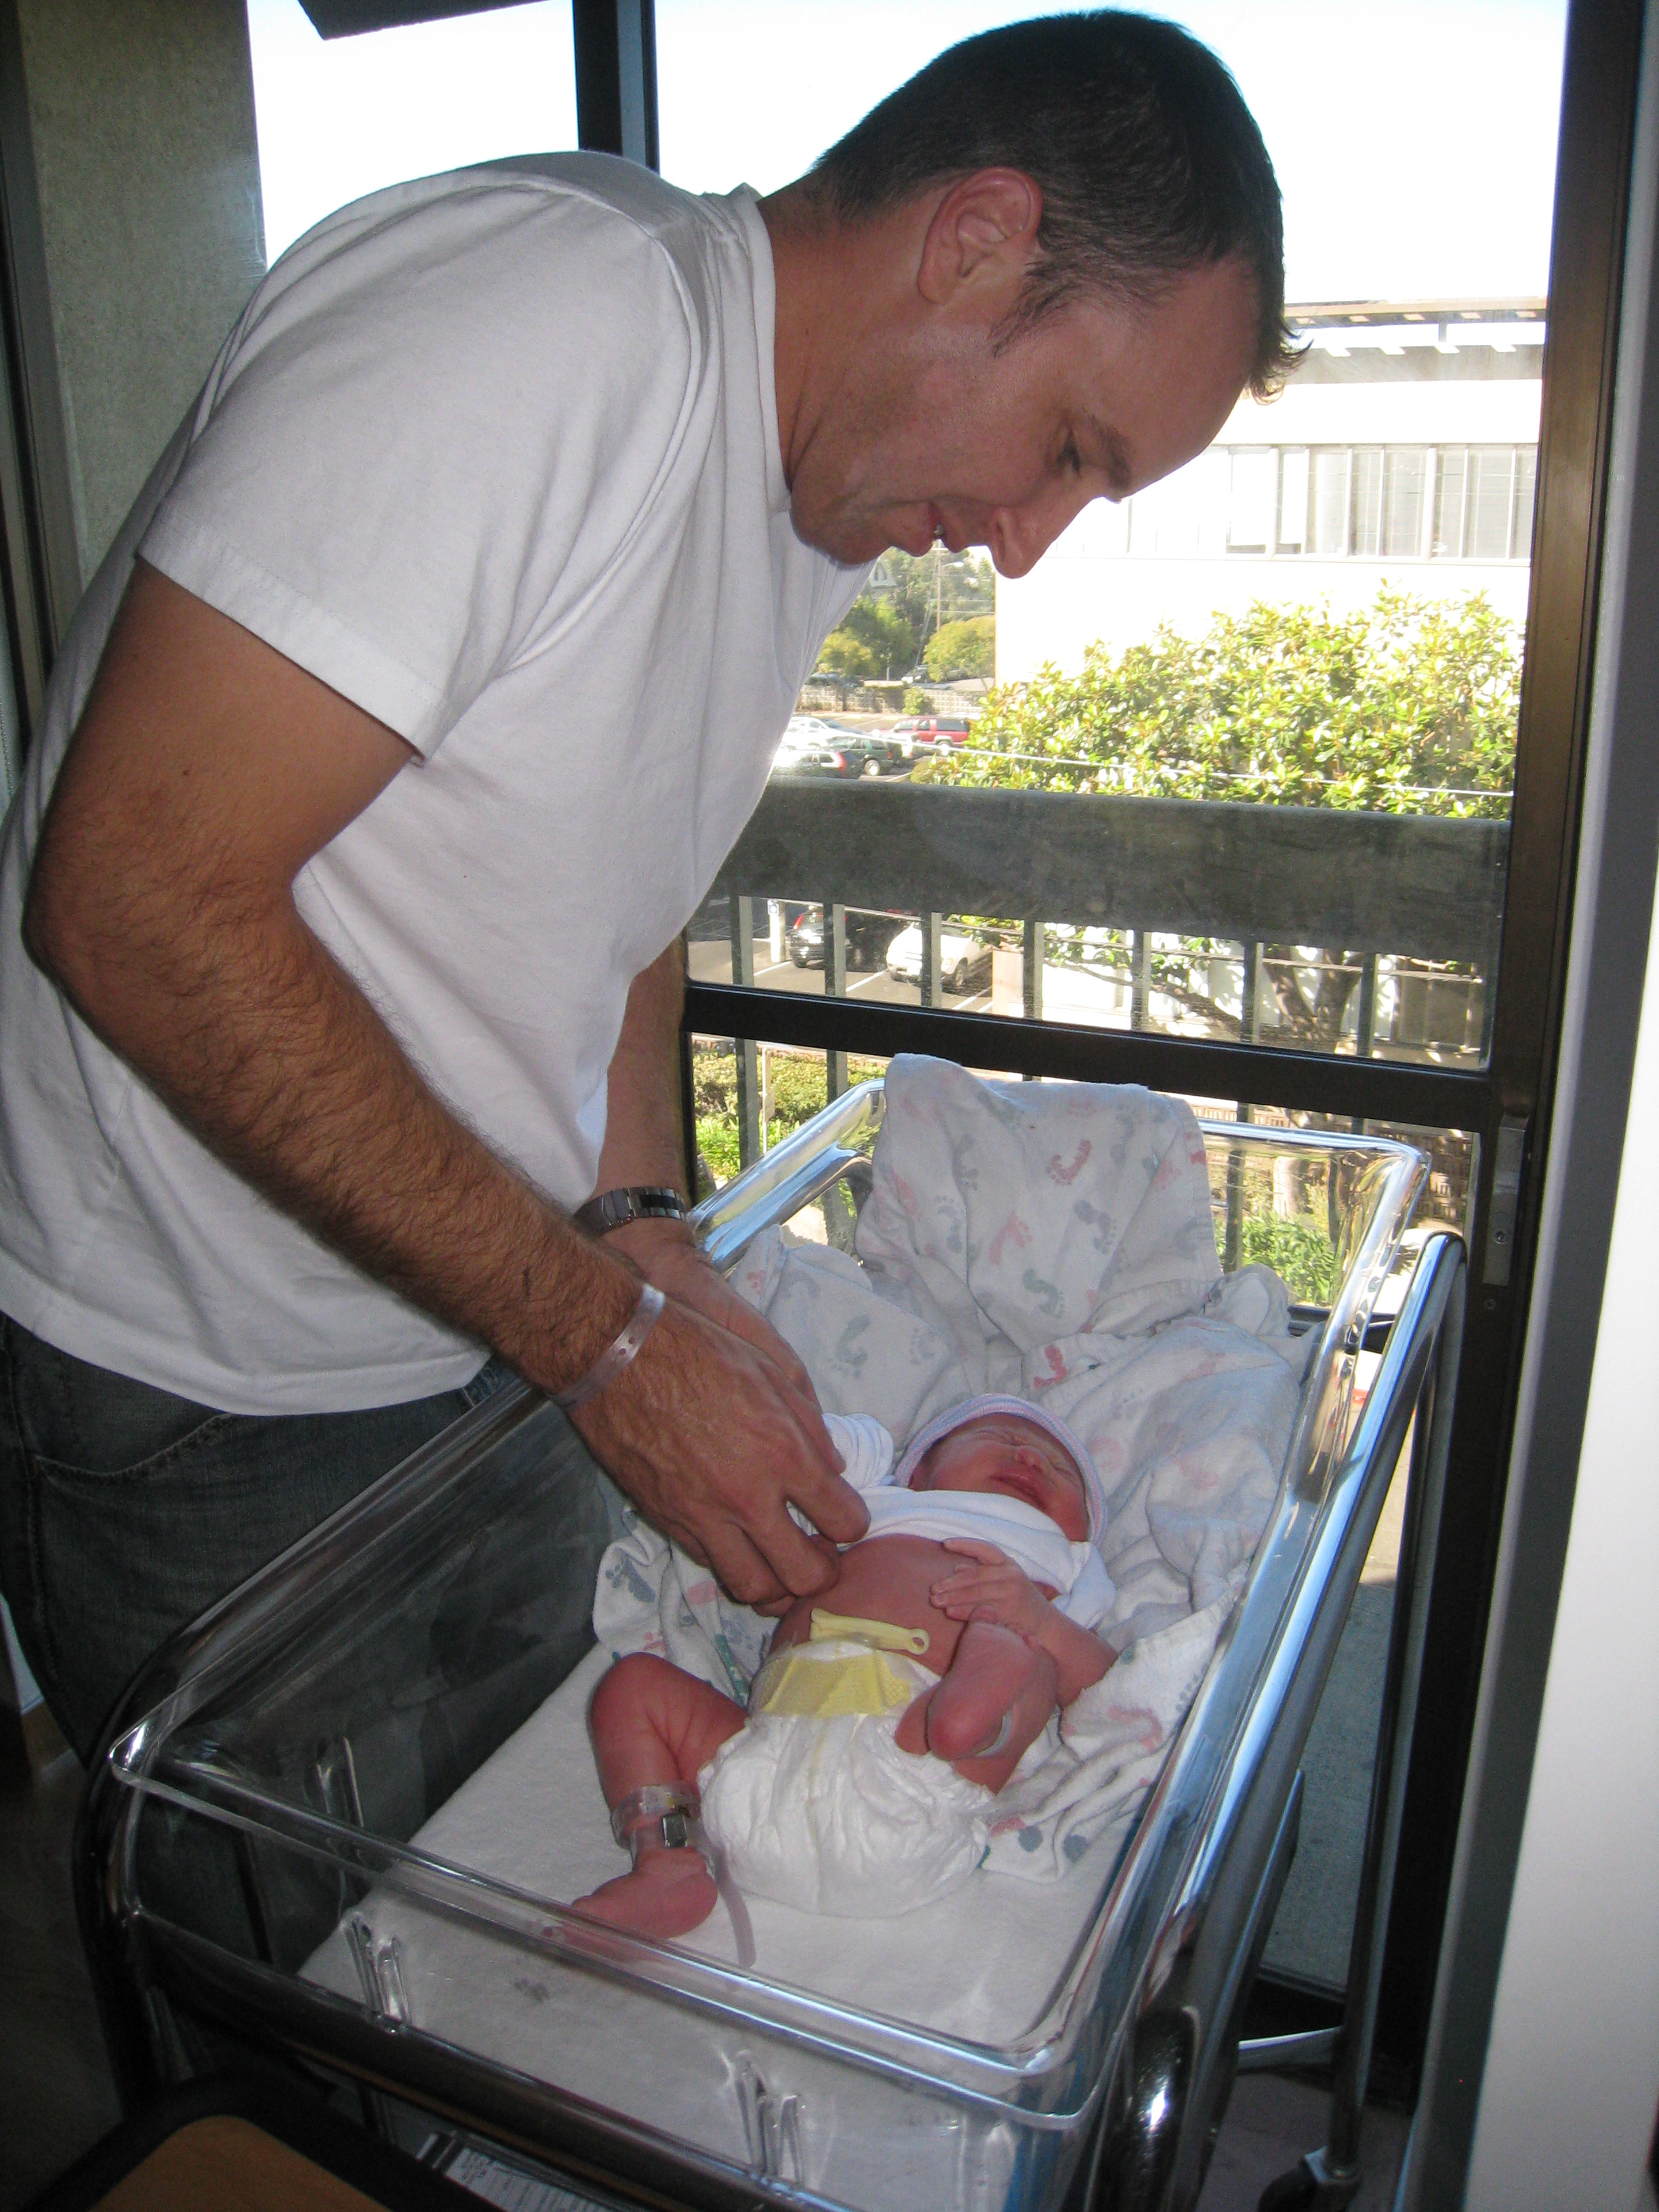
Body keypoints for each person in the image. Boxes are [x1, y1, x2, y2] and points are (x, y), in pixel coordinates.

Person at [0, 12, 1292, 1763]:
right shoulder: (550, 329)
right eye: (1071, 446)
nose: (1024, 541)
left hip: (486, 1303)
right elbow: (132, 896)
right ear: (976, 241)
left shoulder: (811, 505)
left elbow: (626, 875)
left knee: (544, 1850)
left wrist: (633, 1229)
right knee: (319, 1919)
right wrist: (601, 1338)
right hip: (204, 1377)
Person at [579, 1396, 1118, 1933]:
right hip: (760, 1766)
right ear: (918, 1471)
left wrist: (1041, 1621)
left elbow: (1109, 1686)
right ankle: (666, 1855)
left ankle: (973, 1721)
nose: (1031, 1459)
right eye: (1000, 1438)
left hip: (919, 1765)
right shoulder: (871, 1507)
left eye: (1062, 1470)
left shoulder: (1065, 1562)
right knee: (631, 1685)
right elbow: (786, 1479)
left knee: (1023, 1650)